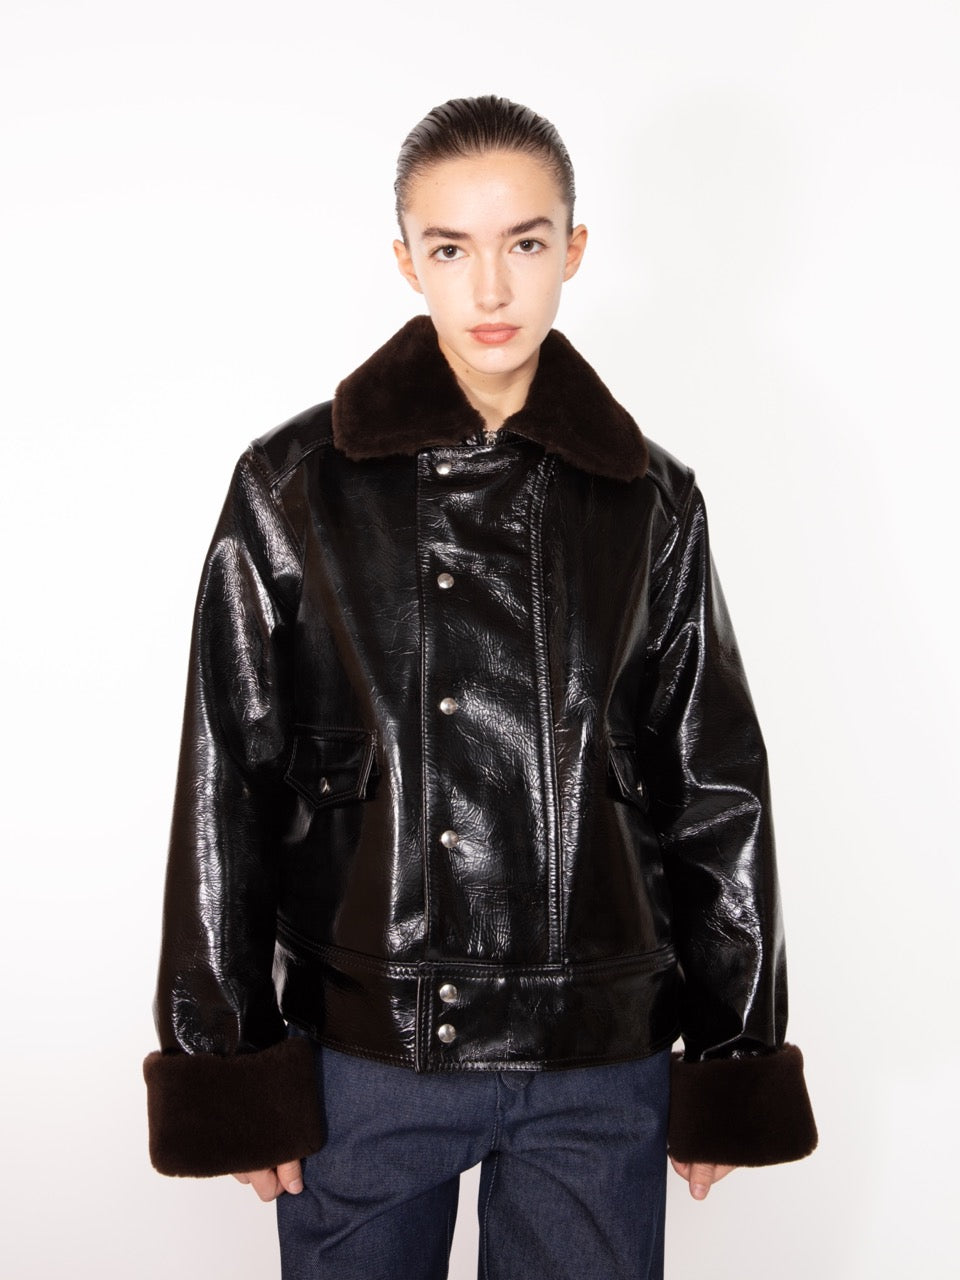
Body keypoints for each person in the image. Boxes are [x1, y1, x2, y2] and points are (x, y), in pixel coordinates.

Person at [143, 95, 817, 1279]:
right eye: (452, 248)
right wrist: (228, 1062)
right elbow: (226, 777)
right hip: (369, 1049)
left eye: (525, 242)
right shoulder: (297, 481)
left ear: (574, 249)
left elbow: (714, 779)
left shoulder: (649, 496)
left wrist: (734, 1048)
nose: (491, 288)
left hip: (596, 1054)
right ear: (408, 261)